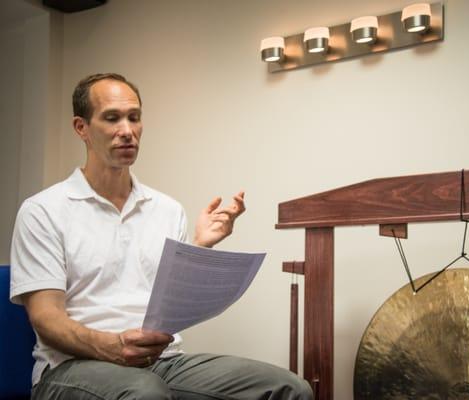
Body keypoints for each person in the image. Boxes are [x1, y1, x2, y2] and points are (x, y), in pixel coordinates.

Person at [10, 73, 313, 400]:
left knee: (289, 388)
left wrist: (200, 247)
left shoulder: (167, 209)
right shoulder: (43, 210)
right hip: (69, 368)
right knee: (146, 392)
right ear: (81, 128)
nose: (127, 131)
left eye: (134, 118)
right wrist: (112, 347)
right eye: (112, 118)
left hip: (161, 363)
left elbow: (170, 300)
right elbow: (45, 318)